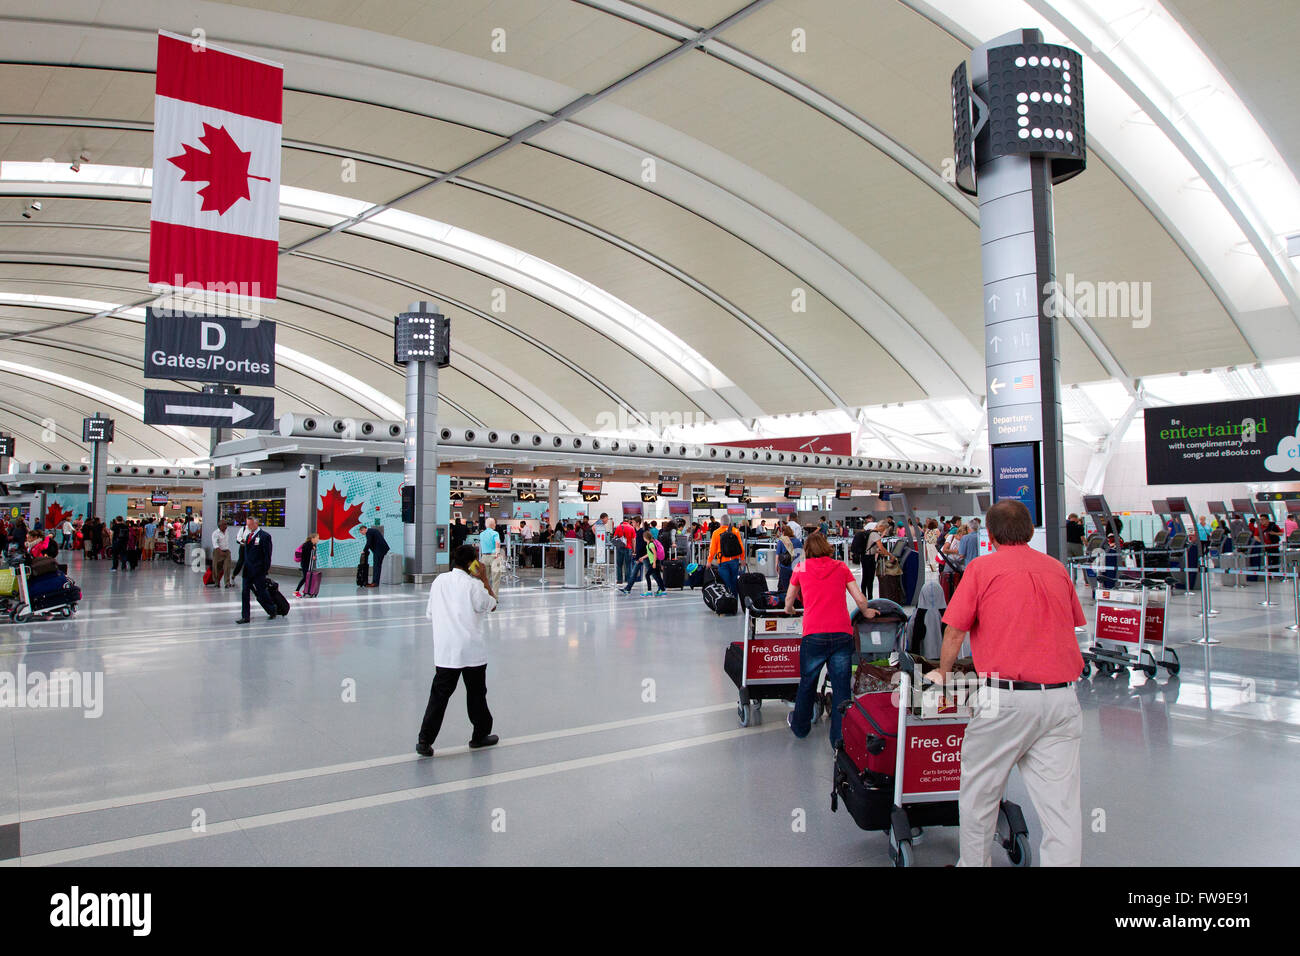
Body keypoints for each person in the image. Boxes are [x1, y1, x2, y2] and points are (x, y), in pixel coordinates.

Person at [928, 500, 1085, 867]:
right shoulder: (1057, 569)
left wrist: (943, 673)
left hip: (1005, 698)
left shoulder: (983, 568)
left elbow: (954, 631)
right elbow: (1072, 622)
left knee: (979, 794)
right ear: (1030, 531)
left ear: (992, 534)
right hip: (1061, 699)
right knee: (1061, 807)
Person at [784, 532, 877, 748]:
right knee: (841, 686)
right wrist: (868, 611)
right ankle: (839, 736)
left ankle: (800, 727)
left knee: (808, 681)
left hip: (813, 634)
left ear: (807, 550)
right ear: (827, 547)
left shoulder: (801, 568)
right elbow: (859, 598)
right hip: (842, 633)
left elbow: (789, 598)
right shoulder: (840, 567)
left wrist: (790, 610)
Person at [416, 544, 499, 757]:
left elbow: (430, 613)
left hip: (445, 651)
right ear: (472, 564)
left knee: (439, 697)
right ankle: (480, 735)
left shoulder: (439, 582)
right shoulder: (473, 585)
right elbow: (492, 604)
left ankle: (424, 740)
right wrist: (485, 579)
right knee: (476, 695)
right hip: (471, 651)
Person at [235, 516, 280, 624]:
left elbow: (267, 554)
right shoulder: (248, 536)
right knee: (245, 592)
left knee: (261, 592)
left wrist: (265, 569)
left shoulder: (264, 536)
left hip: (258, 570)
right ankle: (245, 616)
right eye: (247, 524)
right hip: (247, 570)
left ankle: (272, 609)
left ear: (256, 524)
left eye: (250, 524)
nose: (248, 527)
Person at [707, 514, 746, 595]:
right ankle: (734, 602)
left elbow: (712, 548)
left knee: (725, 583)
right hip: (734, 560)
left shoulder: (716, 532)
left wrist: (709, 561)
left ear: (721, 522)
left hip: (722, 561)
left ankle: (727, 602)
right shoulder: (735, 531)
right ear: (729, 522)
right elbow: (741, 546)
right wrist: (742, 559)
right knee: (734, 581)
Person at [629, 529, 666, 597]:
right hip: (655, 562)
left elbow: (655, 554)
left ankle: (649, 591)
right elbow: (650, 553)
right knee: (658, 577)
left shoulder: (651, 544)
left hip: (655, 563)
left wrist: (654, 563)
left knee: (647, 575)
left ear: (645, 537)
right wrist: (643, 557)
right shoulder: (648, 544)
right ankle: (663, 590)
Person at [475, 517, 503, 595]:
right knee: (496, 579)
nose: (495, 525)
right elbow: (497, 543)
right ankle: (494, 598)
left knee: (484, 578)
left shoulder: (481, 534)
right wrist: (497, 552)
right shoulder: (495, 533)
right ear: (493, 524)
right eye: (495, 523)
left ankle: (485, 596)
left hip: (484, 557)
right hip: (494, 557)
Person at [362, 520, 392, 588]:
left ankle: (375, 582)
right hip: (381, 550)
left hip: (379, 551)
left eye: (362, 532)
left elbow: (368, 542)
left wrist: (364, 550)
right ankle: (375, 582)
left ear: (363, 529)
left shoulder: (368, 532)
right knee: (377, 566)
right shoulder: (372, 531)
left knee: (376, 566)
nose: (362, 534)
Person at [294, 533, 319, 597]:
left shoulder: (313, 545)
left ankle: (306, 590)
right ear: (313, 538)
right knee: (305, 578)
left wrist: (313, 556)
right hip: (305, 564)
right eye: (317, 538)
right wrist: (312, 556)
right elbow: (305, 555)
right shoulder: (307, 545)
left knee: (308, 577)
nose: (318, 539)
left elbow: (311, 555)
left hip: (309, 564)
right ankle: (296, 591)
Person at [211, 520, 234, 588]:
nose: (226, 526)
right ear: (220, 526)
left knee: (227, 567)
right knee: (217, 567)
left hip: (226, 551)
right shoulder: (215, 533)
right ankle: (216, 582)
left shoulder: (227, 532)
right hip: (218, 551)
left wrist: (226, 551)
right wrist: (220, 552)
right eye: (224, 524)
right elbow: (215, 544)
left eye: (226, 524)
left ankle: (227, 582)